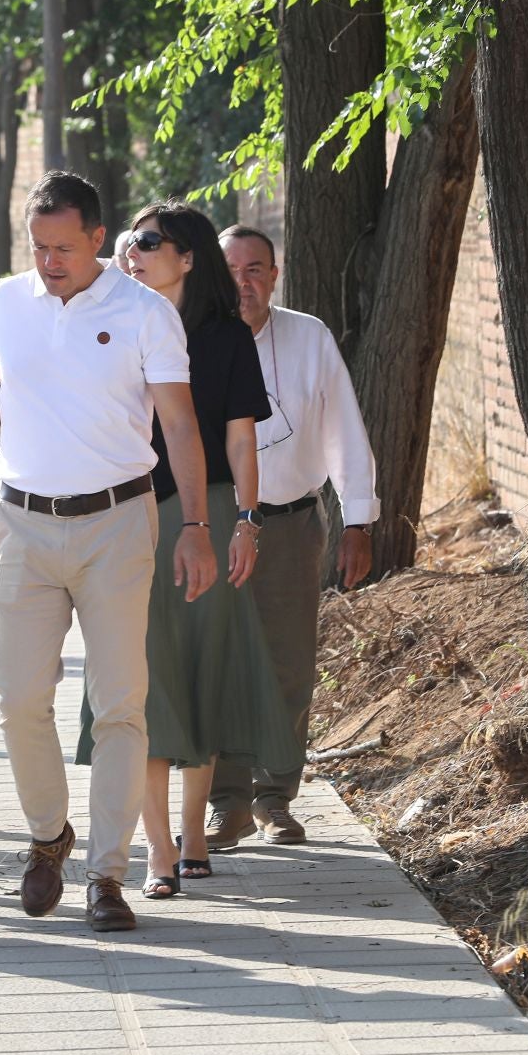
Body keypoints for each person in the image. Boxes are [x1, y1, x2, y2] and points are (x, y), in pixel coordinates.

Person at [0, 171, 216, 933]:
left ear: (100, 240)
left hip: (117, 523)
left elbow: (182, 427)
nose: (49, 260)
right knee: (18, 696)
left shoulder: (143, 313)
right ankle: (46, 837)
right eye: (38, 246)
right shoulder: (7, 301)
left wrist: (196, 528)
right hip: (24, 523)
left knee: (121, 703)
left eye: (64, 247)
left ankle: (106, 875)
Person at [79, 202, 294, 899]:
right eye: (127, 242)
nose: (132, 252)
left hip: (207, 516)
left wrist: (248, 521)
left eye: (149, 242)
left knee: (202, 675)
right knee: (140, 681)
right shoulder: (106, 325)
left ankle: (195, 833)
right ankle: (157, 849)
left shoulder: (224, 336)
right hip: (125, 517)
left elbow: (239, 438)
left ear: (188, 257)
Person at [206, 224, 377, 848]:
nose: (243, 282)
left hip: (292, 523)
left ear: (274, 276)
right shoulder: (195, 338)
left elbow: (344, 431)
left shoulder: (309, 337)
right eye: (231, 269)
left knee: (287, 664)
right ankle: (226, 802)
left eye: (255, 269)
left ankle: (276, 796)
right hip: (218, 527)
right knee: (222, 663)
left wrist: (357, 519)